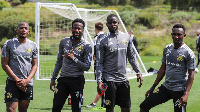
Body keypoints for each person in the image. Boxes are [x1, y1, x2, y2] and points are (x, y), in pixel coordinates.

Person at [140, 24, 195, 112]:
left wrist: (186, 94)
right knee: (144, 106)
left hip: (179, 90)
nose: (176, 37)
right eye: (174, 34)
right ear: (171, 34)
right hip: (166, 87)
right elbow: (162, 69)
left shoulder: (188, 53)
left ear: (184, 35)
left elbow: (191, 75)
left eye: (179, 34)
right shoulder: (167, 48)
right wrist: (153, 87)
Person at [96, 14, 143, 112]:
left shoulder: (126, 37)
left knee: (126, 107)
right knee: (110, 108)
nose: (113, 24)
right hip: (109, 79)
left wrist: (138, 72)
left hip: (123, 79)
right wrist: (99, 81)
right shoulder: (102, 41)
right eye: (110, 23)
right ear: (107, 24)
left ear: (118, 23)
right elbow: (99, 63)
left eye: (114, 22)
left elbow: (131, 57)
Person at [50, 18, 92, 112]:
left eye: (79, 28)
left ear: (83, 30)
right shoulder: (64, 42)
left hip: (77, 80)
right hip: (63, 80)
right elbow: (59, 62)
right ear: (71, 29)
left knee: (76, 109)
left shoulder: (87, 46)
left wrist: (73, 59)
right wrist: (53, 79)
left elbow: (87, 67)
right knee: (56, 107)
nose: (77, 30)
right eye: (75, 28)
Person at [1, 22, 38, 112]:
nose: (23, 30)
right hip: (12, 82)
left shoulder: (33, 45)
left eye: (25, 28)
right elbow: (4, 64)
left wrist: (27, 80)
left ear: (28, 31)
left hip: (27, 83)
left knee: (23, 109)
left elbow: (35, 65)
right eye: (21, 28)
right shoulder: (8, 44)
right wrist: (17, 79)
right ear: (17, 30)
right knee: (10, 109)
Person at [86, 22, 105, 108]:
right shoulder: (106, 36)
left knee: (100, 83)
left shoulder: (97, 38)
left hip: (99, 64)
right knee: (103, 83)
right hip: (106, 64)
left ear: (95, 29)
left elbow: (97, 51)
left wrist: (95, 57)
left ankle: (101, 104)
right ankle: (103, 103)